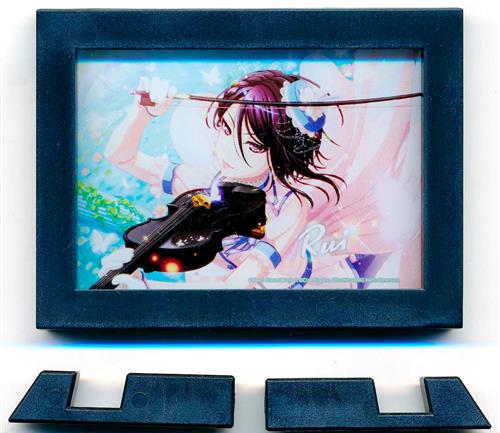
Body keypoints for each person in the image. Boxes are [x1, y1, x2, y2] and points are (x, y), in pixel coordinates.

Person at [99, 54, 421, 289]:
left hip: (295, 302)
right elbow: (120, 157)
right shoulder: (206, 181)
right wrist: (141, 115)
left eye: (252, 145)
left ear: (277, 152)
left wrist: (147, 289)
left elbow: (236, 289)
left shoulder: (290, 206)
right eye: (226, 130)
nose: (227, 151)